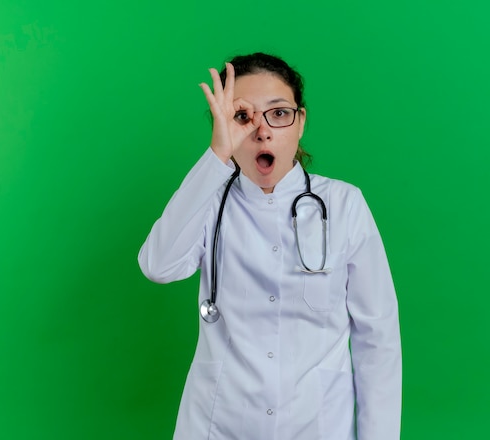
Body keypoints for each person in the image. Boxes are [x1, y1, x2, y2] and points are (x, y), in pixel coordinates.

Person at [138, 52, 402, 440]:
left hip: (317, 425)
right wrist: (217, 156)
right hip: (218, 424)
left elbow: (377, 339)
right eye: (243, 117)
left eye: (279, 114)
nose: (262, 131)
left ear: (300, 123)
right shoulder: (208, 200)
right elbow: (158, 266)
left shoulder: (345, 205)